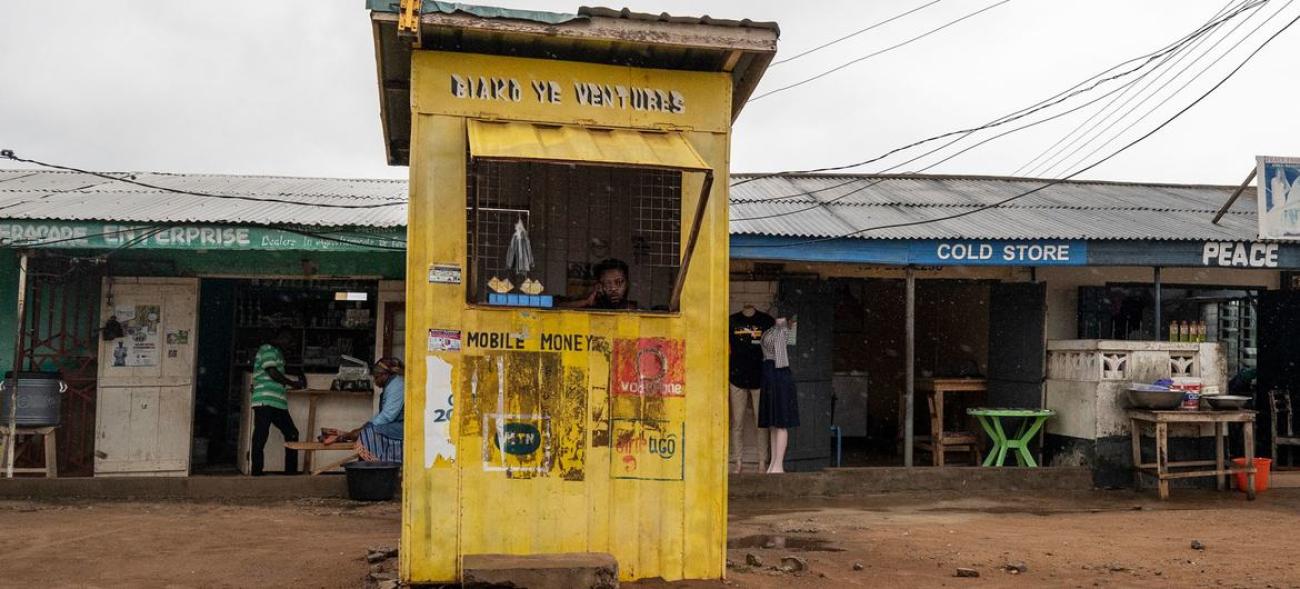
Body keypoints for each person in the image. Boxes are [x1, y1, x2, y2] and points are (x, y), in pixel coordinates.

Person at [323, 357, 405, 462]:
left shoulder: (397, 385)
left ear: (385, 375)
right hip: (394, 425)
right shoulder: (392, 384)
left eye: (376, 377)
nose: (375, 381)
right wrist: (365, 425)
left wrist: (366, 428)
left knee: (367, 434)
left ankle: (372, 467)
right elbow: (382, 415)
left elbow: (388, 415)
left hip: (401, 427)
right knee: (365, 431)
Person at [250, 328, 306, 476]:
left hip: (277, 402)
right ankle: (256, 472)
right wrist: (292, 383)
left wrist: (297, 375)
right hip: (265, 399)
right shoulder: (268, 349)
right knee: (261, 435)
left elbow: (278, 371)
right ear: (280, 337)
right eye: (288, 339)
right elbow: (272, 372)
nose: (290, 343)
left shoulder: (278, 354)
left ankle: (291, 472)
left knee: (291, 433)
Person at [728, 303, 773, 473]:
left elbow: (774, 347)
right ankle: (738, 461)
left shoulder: (766, 321)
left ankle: (762, 461)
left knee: (760, 423)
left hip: (759, 378)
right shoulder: (731, 321)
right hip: (736, 378)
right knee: (737, 422)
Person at [758, 309, 799, 474]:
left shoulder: (781, 330)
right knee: (774, 423)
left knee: (780, 422)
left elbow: (782, 359)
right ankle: (774, 462)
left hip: (777, 375)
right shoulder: (774, 329)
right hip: (771, 374)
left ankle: (778, 464)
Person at [565, 258, 637, 310]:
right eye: (607, 283)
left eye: (619, 282)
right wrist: (586, 302)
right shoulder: (591, 308)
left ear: (627, 284)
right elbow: (556, 307)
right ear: (599, 286)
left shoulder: (636, 309)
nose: (613, 288)